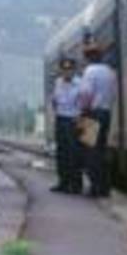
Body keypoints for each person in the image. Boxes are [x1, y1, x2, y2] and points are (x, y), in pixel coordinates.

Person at [77, 41, 118, 198]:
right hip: (106, 113)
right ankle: (105, 187)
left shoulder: (90, 71)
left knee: (90, 151)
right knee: (101, 150)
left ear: (89, 57)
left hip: (91, 113)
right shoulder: (109, 72)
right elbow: (113, 95)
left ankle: (95, 187)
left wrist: (83, 111)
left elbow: (86, 93)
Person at [49, 57, 85, 194]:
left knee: (75, 154)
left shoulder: (80, 84)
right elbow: (54, 100)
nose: (66, 72)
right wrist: (57, 113)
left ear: (74, 70)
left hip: (74, 120)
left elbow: (84, 103)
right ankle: (63, 183)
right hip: (61, 119)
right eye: (64, 69)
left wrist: (79, 118)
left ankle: (76, 184)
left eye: (69, 69)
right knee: (62, 153)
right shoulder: (58, 83)